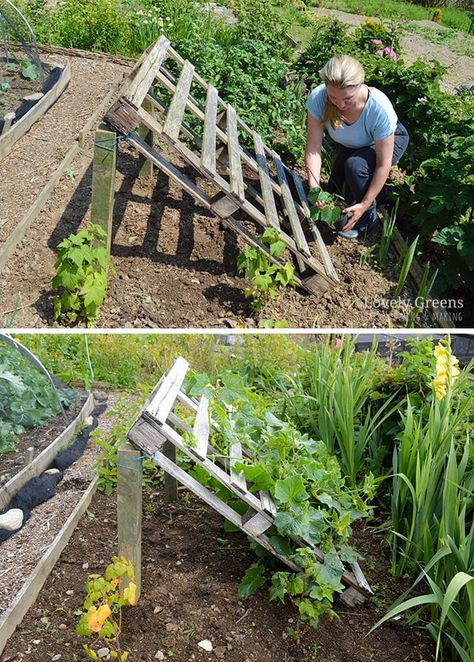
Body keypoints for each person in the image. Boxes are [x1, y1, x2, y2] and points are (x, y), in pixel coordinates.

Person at [305, 54, 409, 239]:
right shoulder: (319, 99)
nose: (340, 104)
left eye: (348, 98)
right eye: (334, 97)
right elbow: (313, 147)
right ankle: (385, 193)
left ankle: (370, 220)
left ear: (360, 85)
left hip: (386, 142)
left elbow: (382, 164)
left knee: (355, 166)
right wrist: (314, 187)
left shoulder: (378, 109)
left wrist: (364, 205)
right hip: (355, 144)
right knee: (335, 195)